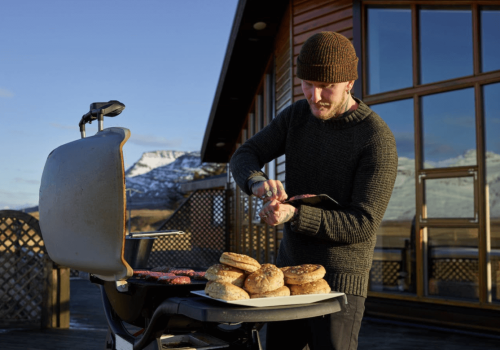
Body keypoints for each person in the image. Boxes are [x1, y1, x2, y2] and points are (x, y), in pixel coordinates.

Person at [229, 31, 398, 350]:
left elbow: (362, 224)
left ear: (349, 82)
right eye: (307, 83)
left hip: (339, 286)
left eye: (326, 87)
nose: (314, 95)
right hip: (287, 276)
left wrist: (293, 214)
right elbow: (244, 154)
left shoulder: (376, 140)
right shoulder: (296, 117)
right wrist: (257, 183)